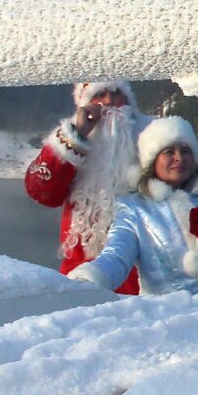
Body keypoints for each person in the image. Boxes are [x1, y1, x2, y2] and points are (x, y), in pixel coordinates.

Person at [68, 116, 198, 304]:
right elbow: (116, 256)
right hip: (176, 318)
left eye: (185, 151)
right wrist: (90, 278)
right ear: (152, 161)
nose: (179, 158)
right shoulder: (134, 208)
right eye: (169, 151)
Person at [25, 81, 147, 293]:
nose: (109, 102)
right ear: (85, 102)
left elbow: (195, 177)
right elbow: (41, 192)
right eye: (100, 94)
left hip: (143, 286)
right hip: (80, 281)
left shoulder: (151, 137)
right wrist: (77, 135)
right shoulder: (70, 139)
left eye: (117, 94)